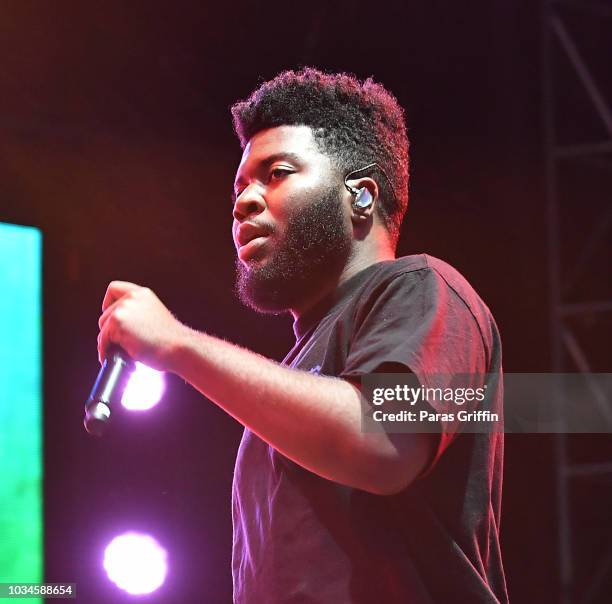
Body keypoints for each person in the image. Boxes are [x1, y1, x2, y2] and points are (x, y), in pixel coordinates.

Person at [97, 68, 508, 603]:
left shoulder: (422, 287)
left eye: (277, 173)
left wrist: (177, 344)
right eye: (241, 186)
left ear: (361, 196)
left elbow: (384, 443)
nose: (244, 201)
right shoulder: (292, 382)